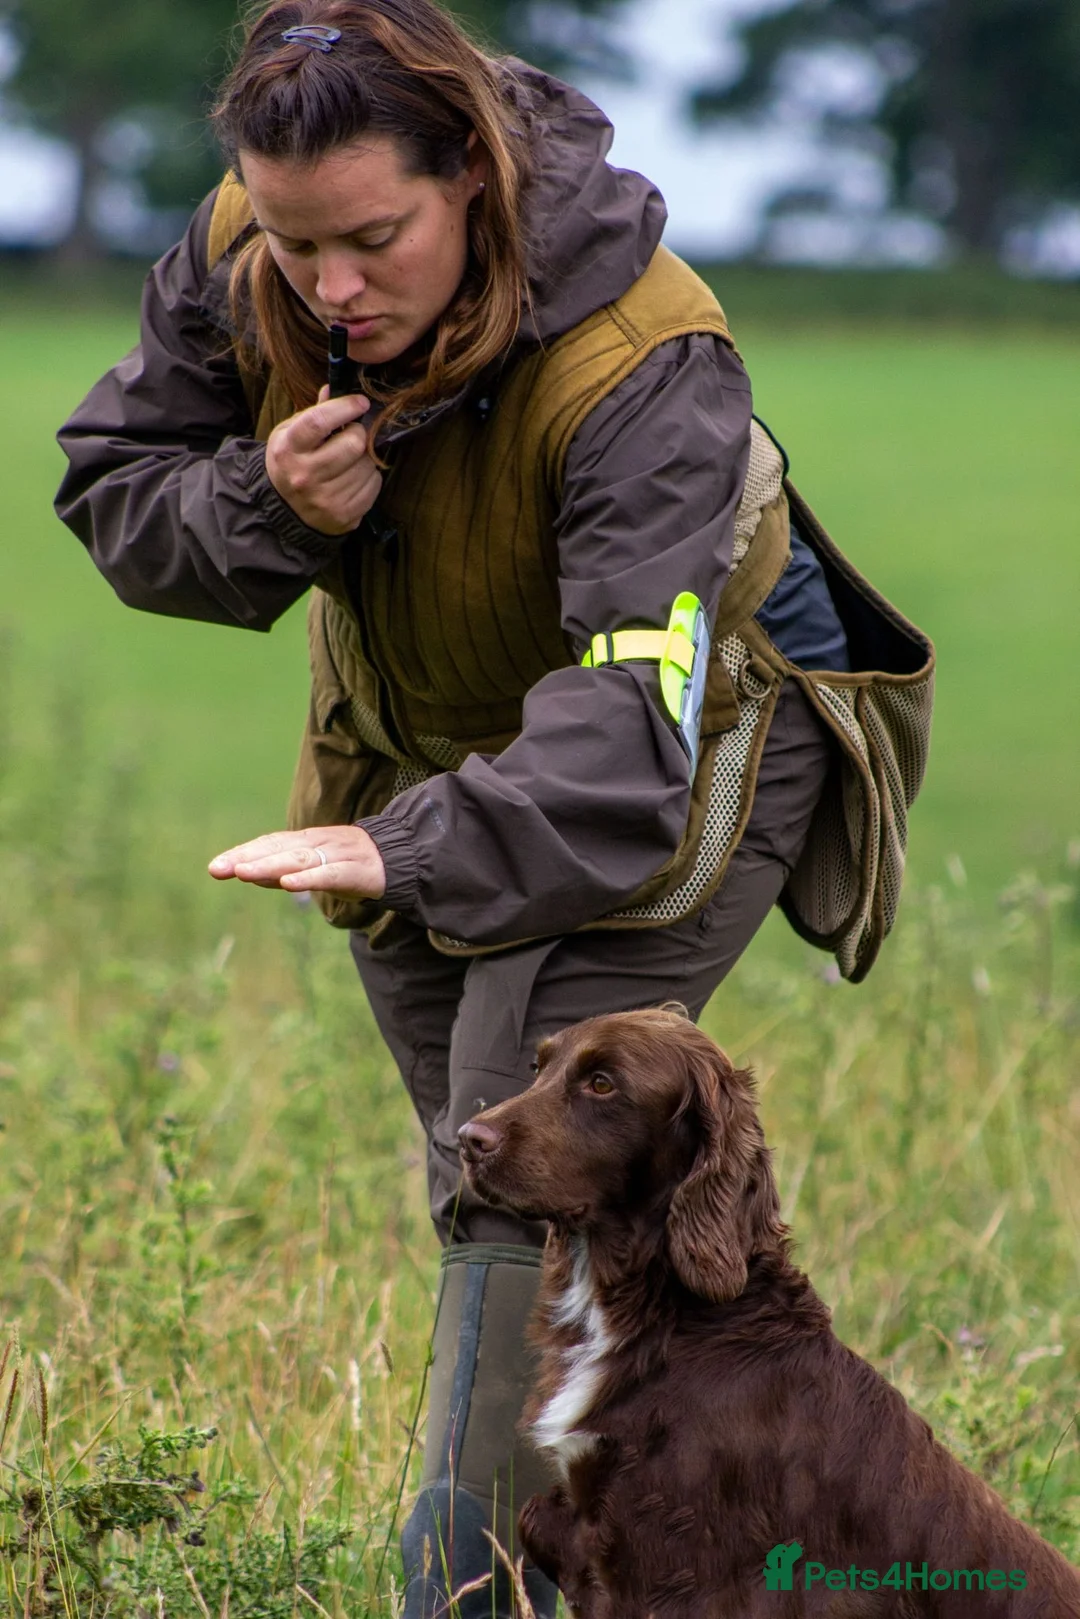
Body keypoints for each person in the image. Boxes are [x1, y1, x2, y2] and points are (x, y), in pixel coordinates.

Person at [54, 2, 933, 1614]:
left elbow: (624, 723)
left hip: (691, 728)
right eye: (295, 240)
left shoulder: (647, 363)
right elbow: (112, 484)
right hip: (424, 739)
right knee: (504, 1157)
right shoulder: (257, 232)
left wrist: (405, 846)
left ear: (473, 176)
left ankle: (472, 1591)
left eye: (373, 239)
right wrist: (267, 501)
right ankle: (705, 1539)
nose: (327, 286)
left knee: (514, 1175)